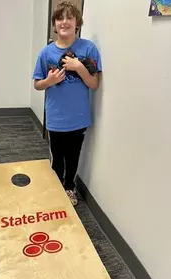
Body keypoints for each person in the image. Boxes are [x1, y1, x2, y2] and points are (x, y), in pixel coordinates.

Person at [32, 1, 102, 206]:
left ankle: (69, 187)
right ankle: (55, 187)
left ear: (77, 22)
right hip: (55, 117)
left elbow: (94, 83)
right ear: (54, 23)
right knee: (57, 158)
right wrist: (49, 81)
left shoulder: (88, 48)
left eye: (69, 18)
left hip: (78, 117)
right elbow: (37, 85)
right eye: (60, 18)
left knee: (73, 157)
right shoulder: (45, 53)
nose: (65, 22)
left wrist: (78, 67)